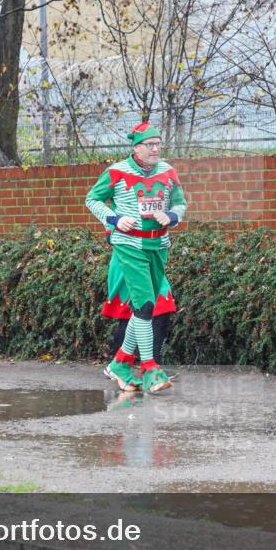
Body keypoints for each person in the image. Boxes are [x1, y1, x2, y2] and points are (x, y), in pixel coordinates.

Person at [85, 121, 186, 393]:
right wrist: (115, 219)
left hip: (159, 245)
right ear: (136, 148)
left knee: (148, 307)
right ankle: (150, 368)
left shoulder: (167, 171)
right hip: (129, 245)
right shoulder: (116, 171)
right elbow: (93, 199)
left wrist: (172, 216)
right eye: (150, 145)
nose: (156, 149)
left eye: (158, 144)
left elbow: (180, 202)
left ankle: (120, 362)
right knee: (143, 305)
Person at [101, 253, 176, 381]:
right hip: (129, 257)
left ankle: (148, 365)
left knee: (161, 304)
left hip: (150, 257)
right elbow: (110, 236)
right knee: (137, 310)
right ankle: (127, 366)